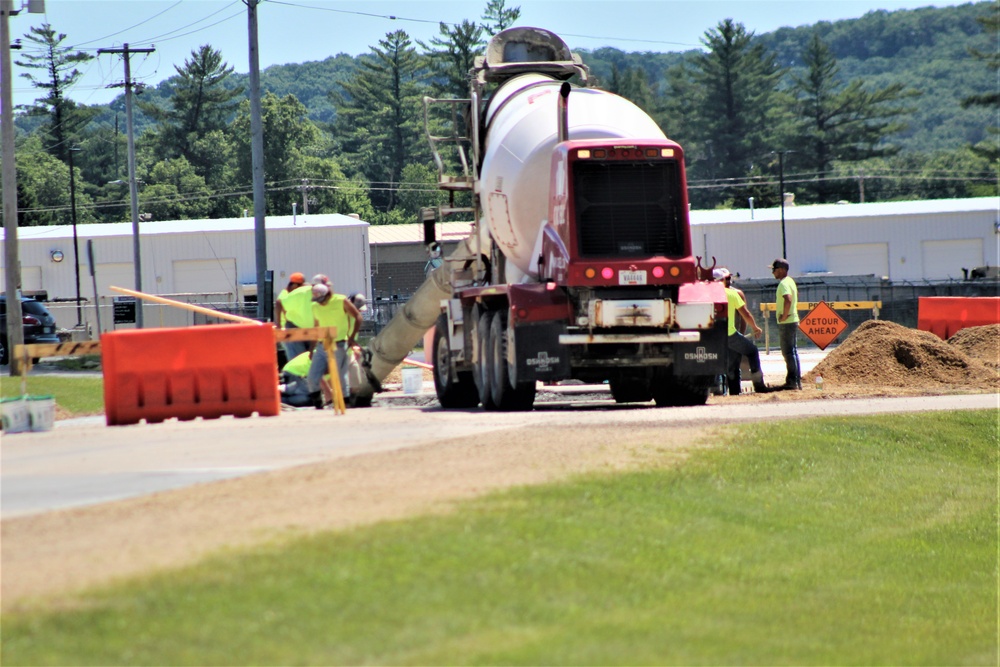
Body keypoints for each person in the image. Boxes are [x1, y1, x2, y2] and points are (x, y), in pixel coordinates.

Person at [306, 282, 363, 408]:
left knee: (339, 377)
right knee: (312, 378)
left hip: (339, 344)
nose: (320, 302)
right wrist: (311, 349)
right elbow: (317, 328)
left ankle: (346, 404)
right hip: (322, 346)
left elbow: (358, 316)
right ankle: (318, 406)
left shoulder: (340, 301)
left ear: (326, 295)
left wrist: (352, 337)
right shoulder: (315, 306)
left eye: (321, 299)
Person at [714, 268, 771, 395]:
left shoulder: (705, 295)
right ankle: (759, 385)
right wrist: (755, 328)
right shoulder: (732, 294)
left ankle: (722, 392)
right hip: (729, 334)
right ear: (722, 280)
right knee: (752, 351)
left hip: (713, 337)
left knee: (724, 364)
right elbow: (746, 314)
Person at [770, 258, 801, 389]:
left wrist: (784, 315)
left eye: (774, 269)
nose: (773, 272)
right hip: (792, 320)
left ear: (782, 270)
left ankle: (792, 381)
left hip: (787, 322)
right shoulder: (790, 281)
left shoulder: (783, 284)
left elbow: (788, 299)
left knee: (788, 352)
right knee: (792, 351)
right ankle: (796, 381)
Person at [275, 277, 315, 361]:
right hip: (291, 327)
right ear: (294, 285)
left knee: (307, 358)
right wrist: (279, 326)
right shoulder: (286, 294)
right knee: (298, 359)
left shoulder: (299, 293)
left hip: (305, 327)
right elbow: (279, 303)